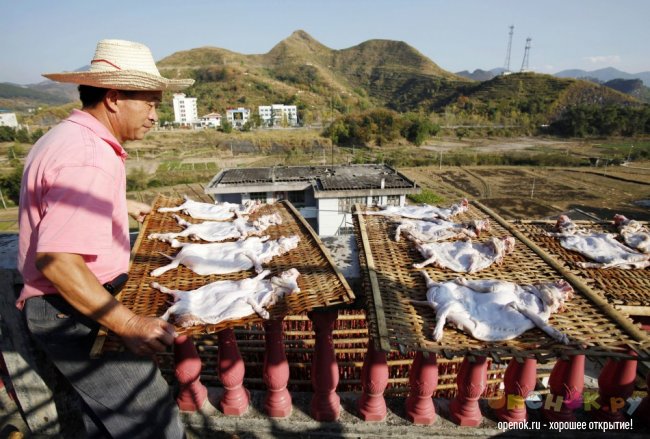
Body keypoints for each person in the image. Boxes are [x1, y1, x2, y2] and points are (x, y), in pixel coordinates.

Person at [16, 39, 194, 438]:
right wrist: (129, 323)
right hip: (73, 311)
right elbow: (58, 260)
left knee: (106, 423)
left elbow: (54, 197)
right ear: (114, 98)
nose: (154, 116)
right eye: (149, 103)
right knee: (151, 421)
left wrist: (118, 203)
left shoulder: (67, 136)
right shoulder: (89, 157)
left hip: (68, 307)